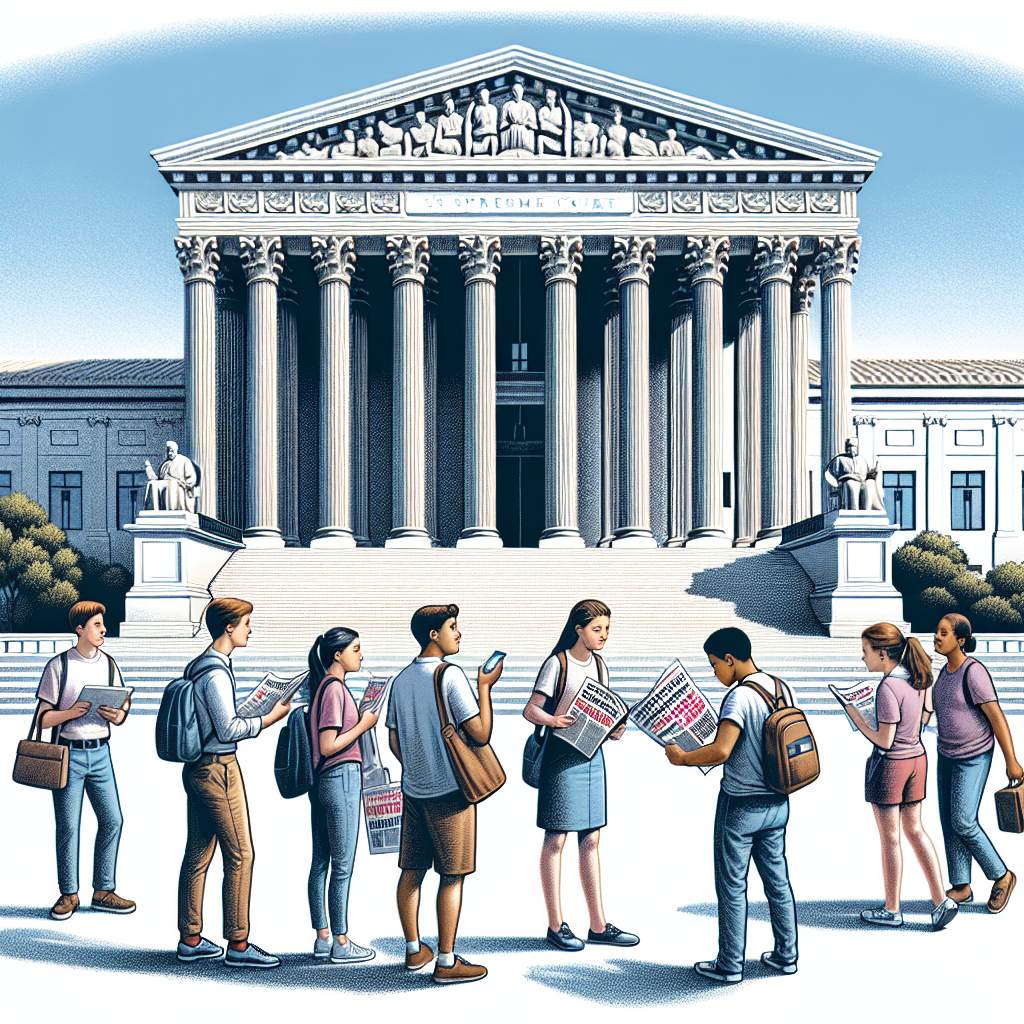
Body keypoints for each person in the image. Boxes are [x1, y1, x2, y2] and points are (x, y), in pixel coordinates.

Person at [665, 627, 798, 984]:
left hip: (740, 805)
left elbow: (722, 749)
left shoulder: (739, 698)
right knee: (777, 880)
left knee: (732, 886)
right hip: (777, 800)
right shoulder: (781, 687)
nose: (715, 673)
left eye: (714, 665)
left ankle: (729, 964)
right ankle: (786, 955)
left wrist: (682, 757)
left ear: (729, 659)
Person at [385, 604, 501, 984]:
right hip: (451, 791)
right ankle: (447, 962)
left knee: (411, 871)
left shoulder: (401, 679)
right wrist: (485, 687)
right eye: (453, 626)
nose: (458, 633)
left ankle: (413, 949)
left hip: (413, 791)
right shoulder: (449, 676)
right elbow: (480, 733)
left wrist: (417, 767)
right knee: (452, 876)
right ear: (433, 634)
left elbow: (394, 738)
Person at [176, 598, 291, 968]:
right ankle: (238, 945)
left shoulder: (199, 665)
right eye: (245, 624)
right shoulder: (215, 673)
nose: (249, 630)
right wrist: (268, 718)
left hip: (197, 768)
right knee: (241, 854)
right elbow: (227, 729)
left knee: (198, 853)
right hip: (218, 769)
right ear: (229, 627)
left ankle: (190, 937)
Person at [522, 600, 638, 952]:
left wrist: (614, 730)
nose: (603, 635)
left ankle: (598, 924)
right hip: (560, 757)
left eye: (606, 629)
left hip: (592, 756)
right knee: (556, 839)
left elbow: (604, 711)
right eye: (597, 629)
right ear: (578, 629)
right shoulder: (557, 664)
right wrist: (553, 720)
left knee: (591, 839)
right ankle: (556, 925)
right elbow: (531, 709)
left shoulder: (601, 666)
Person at [844, 622, 959, 930]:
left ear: (883, 654)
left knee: (890, 838)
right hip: (917, 760)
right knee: (916, 830)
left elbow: (884, 740)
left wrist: (856, 717)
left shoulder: (887, 688)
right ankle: (940, 900)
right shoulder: (917, 681)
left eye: (866, 652)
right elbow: (922, 719)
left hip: (891, 765)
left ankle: (892, 909)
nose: (863, 658)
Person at [34, 601, 134, 921]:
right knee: (68, 826)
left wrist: (117, 714)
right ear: (79, 629)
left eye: (103, 624)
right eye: (96, 625)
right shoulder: (59, 666)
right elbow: (42, 719)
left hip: (101, 753)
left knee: (113, 819)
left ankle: (103, 890)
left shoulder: (109, 664)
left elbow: (123, 708)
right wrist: (71, 712)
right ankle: (69, 894)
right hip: (69, 754)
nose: (103, 630)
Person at [931, 613, 1020, 913]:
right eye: (937, 632)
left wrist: (1012, 762)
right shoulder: (943, 675)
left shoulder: (974, 672)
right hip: (947, 755)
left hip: (974, 755)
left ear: (961, 640)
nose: (937, 637)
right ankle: (961, 885)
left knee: (963, 821)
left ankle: (1002, 875)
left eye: (944, 633)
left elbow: (997, 717)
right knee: (949, 822)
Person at [306, 627, 380, 963]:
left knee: (321, 860)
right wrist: (364, 724)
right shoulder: (334, 690)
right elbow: (329, 744)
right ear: (337, 654)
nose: (360, 654)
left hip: (323, 781)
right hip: (341, 778)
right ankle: (341, 941)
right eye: (355, 648)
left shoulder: (324, 687)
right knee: (343, 865)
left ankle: (323, 937)